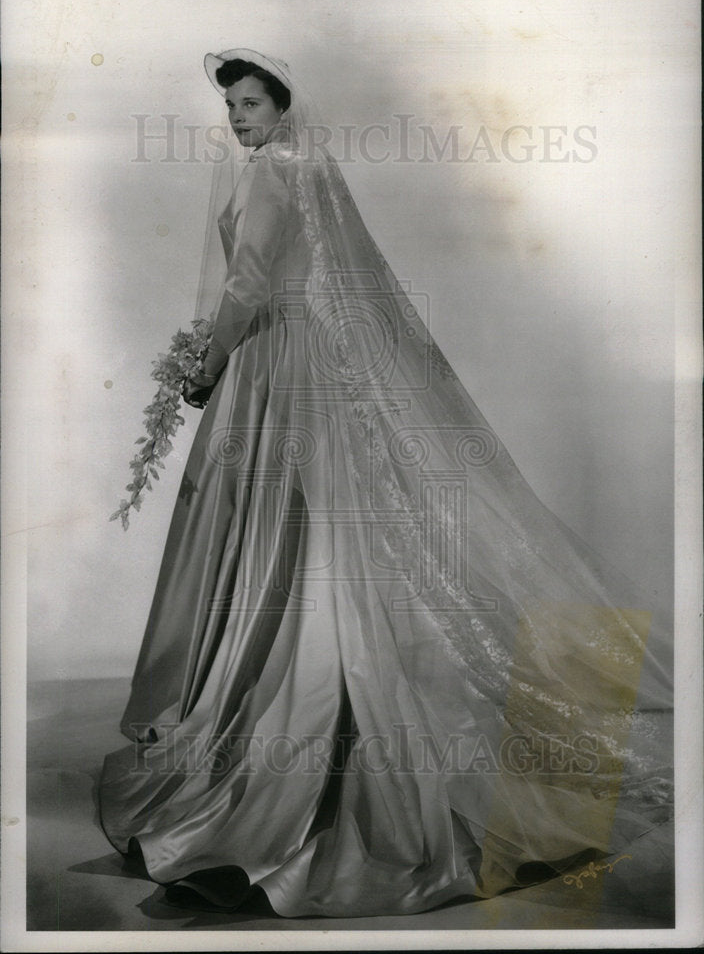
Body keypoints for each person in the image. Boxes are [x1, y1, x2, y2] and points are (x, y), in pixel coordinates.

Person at [99, 49, 673, 918]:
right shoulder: (314, 164)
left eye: (250, 103)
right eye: (230, 108)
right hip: (317, 365)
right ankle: (320, 685)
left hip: (273, 369)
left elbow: (250, 289)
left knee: (278, 530)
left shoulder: (271, 173)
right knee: (316, 529)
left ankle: (295, 713)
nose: (237, 119)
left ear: (283, 104)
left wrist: (206, 368)